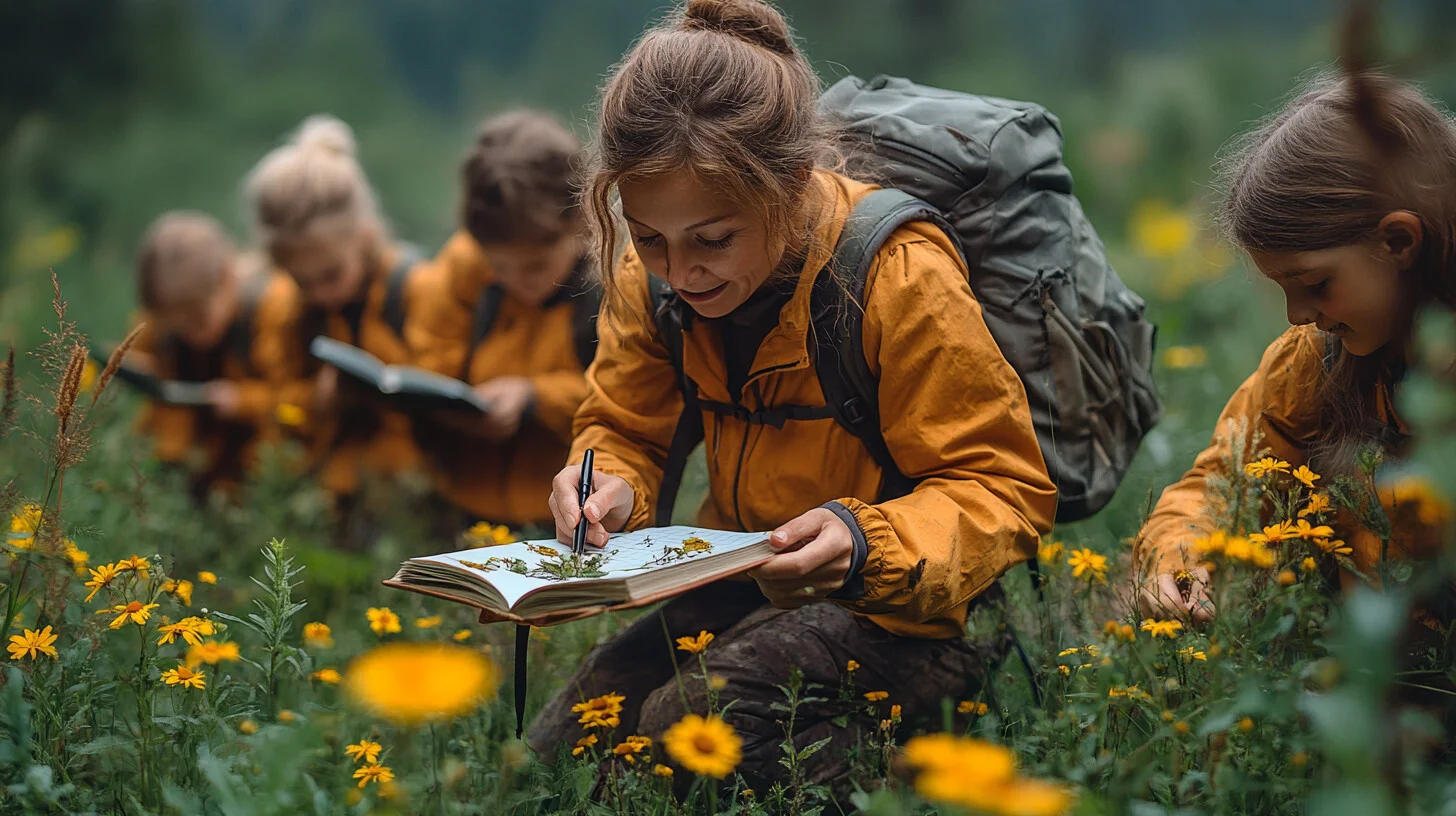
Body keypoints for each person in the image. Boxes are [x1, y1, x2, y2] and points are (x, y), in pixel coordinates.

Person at [531, 0, 1056, 791]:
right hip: (747, 580)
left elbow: (1002, 489)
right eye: (649, 238)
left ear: (789, 186)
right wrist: (607, 486)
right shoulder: (655, 280)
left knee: (684, 737)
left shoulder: (897, 278)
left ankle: (937, 779)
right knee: (559, 755)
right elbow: (624, 424)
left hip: (910, 607)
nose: (681, 270)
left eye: (714, 239)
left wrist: (862, 542)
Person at [1136, 72, 1456, 632]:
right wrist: (1178, 556)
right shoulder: (1318, 361)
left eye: (1315, 284)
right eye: (1282, 289)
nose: (1297, 315)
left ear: (1400, 242)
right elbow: (1223, 483)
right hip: (1364, 688)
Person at [407, 111, 598, 530]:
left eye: (533, 267)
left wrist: (534, 397)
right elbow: (429, 356)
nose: (514, 282)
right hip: (462, 502)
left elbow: (628, 395)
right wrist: (453, 406)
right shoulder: (464, 264)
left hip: (570, 516)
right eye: (498, 266)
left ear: (581, 220)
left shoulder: (612, 282)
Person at [245, 114, 431, 543]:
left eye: (331, 276)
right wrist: (319, 399)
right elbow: (276, 396)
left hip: (409, 498)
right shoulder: (287, 310)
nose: (320, 294)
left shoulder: (416, 289)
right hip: (329, 498)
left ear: (364, 236)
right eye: (302, 281)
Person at [129, 211, 301, 501]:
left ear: (227, 279)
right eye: (175, 326)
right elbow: (139, 352)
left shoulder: (272, 308)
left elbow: (300, 396)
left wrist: (243, 401)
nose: (189, 337)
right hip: (189, 466)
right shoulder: (163, 313)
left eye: (198, 322)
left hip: (260, 474)